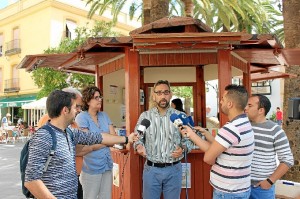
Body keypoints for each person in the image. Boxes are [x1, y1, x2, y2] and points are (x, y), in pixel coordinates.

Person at [24, 90, 137, 199]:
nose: (77, 111)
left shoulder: (69, 133)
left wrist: (126, 139)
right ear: (65, 110)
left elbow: (98, 137)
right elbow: (31, 181)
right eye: (75, 107)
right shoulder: (44, 136)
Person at [180, 84, 254, 198]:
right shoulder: (244, 123)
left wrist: (191, 134)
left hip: (227, 192)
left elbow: (209, 157)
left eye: (223, 99)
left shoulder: (231, 128)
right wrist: (208, 135)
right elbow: (224, 147)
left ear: (230, 104)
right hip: (240, 188)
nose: (220, 102)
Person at [134, 80, 194, 199]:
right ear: (154, 95)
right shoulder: (145, 116)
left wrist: (183, 148)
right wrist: (138, 146)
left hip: (174, 170)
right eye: (159, 93)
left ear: (170, 95)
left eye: (166, 92)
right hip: (151, 171)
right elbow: (137, 138)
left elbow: (190, 140)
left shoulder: (180, 116)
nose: (163, 96)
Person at [37, 87, 85, 199]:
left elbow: (81, 147)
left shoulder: (73, 124)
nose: (79, 110)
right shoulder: (47, 121)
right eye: (76, 106)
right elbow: (78, 149)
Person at [244, 94, 294, 199]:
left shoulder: (275, 130)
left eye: (249, 105)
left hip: (261, 189)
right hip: (240, 186)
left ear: (261, 110)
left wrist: (270, 181)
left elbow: (287, 159)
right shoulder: (243, 127)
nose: (245, 108)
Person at [75, 86, 115, 199]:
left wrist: (105, 141)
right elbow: (88, 144)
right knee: (90, 197)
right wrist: (107, 140)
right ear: (88, 101)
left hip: (107, 164)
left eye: (100, 97)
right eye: (96, 97)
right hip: (91, 167)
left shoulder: (104, 115)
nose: (100, 100)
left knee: (106, 197)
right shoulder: (81, 118)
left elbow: (114, 138)